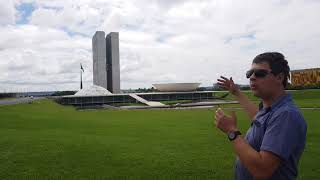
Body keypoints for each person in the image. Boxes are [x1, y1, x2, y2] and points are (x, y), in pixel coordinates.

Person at [214, 52, 307, 180]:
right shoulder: (271, 109)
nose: (252, 77)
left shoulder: (286, 115)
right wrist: (236, 92)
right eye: (249, 73)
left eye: (259, 73)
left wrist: (232, 132)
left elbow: (262, 170)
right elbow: (259, 120)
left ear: (279, 77)